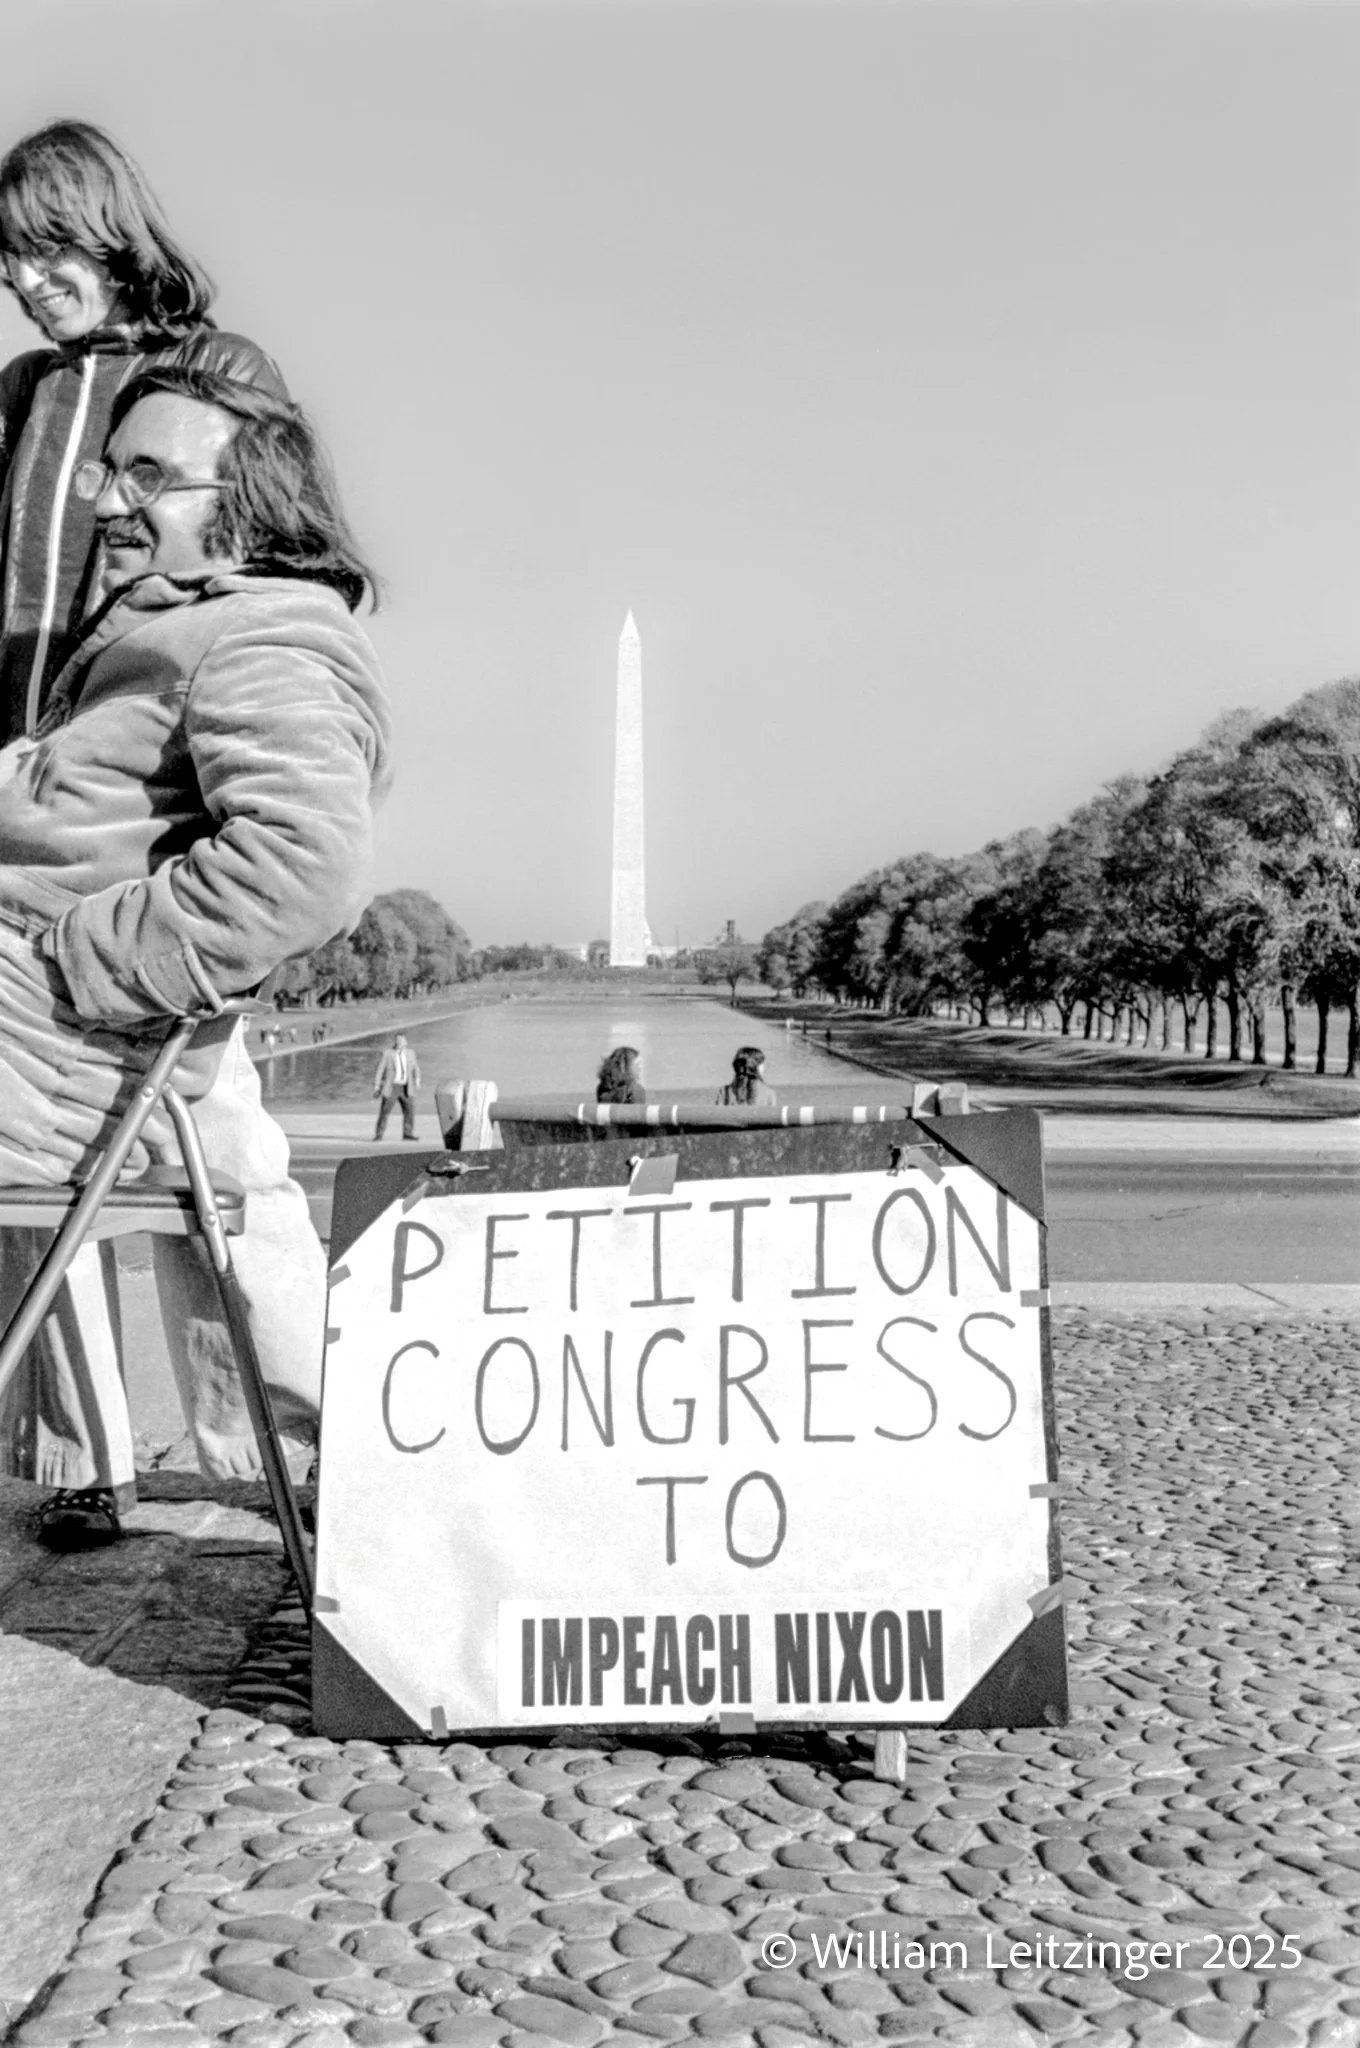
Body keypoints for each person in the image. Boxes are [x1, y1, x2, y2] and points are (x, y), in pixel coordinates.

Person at [0, 122, 325, 1548]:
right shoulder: (19, 396)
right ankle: (86, 1460)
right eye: (8, 260)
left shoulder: (214, 371)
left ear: (109, 228)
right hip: (32, 810)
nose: (27, 280)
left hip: (159, 805)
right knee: (35, 1175)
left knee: (220, 1155)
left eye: (46, 247)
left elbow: (270, 557)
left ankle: (294, 1445)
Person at [372, 1032, 421, 1141]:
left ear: (406, 1042)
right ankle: (379, 1134)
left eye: (401, 1040)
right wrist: (377, 1085)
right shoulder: (388, 1053)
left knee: (409, 1110)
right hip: (392, 1087)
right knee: (385, 1111)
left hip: (406, 1087)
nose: (399, 1042)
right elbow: (380, 1069)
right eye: (397, 1040)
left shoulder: (411, 1053)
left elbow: (415, 1067)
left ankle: (407, 1133)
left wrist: (417, 1079)